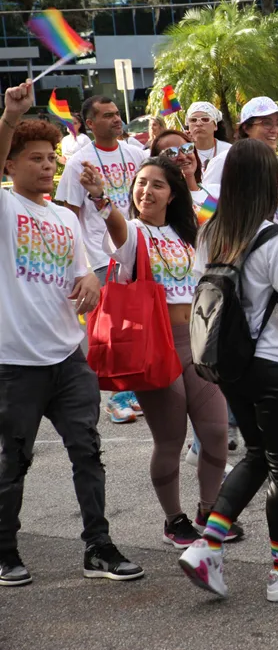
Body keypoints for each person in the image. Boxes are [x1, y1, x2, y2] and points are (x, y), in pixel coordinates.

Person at [179, 139, 278, 602]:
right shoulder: (276, 238)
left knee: (257, 455)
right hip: (274, 365)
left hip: (230, 366)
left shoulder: (210, 234)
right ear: (269, 183)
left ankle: (208, 545)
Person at [0, 85, 144, 586]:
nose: (47, 166)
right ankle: (5, 550)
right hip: (15, 364)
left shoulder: (64, 216)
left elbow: (84, 270)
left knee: (87, 451)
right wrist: (10, 117)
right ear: (9, 164)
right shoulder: (4, 209)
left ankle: (98, 547)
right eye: (35, 158)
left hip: (67, 359)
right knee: (13, 461)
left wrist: (91, 280)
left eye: (51, 158)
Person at [78, 155, 240, 548]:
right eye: (141, 183)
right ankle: (174, 520)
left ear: (173, 195)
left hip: (199, 344)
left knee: (216, 433)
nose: (146, 191)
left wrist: (193, 173)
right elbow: (117, 227)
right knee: (170, 439)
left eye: (157, 185)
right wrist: (101, 199)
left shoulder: (191, 233)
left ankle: (209, 510)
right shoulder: (133, 232)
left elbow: (216, 217)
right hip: (155, 346)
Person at [149, 130, 240, 463]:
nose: (182, 155)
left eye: (186, 148)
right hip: (187, 301)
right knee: (206, 378)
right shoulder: (164, 204)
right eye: (170, 153)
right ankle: (203, 449)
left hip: (220, 291)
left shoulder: (212, 194)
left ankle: (206, 447)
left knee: (222, 373)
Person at [54, 95, 145, 424]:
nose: (116, 119)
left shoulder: (136, 154)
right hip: (99, 256)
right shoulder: (79, 162)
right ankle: (116, 396)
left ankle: (133, 389)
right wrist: (78, 266)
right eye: (107, 115)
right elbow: (69, 216)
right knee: (112, 328)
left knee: (138, 325)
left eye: (117, 113)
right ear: (90, 124)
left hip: (134, 249)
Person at [202, 97, 278, 228]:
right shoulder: (224, 161)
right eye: (267, 123)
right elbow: (204, 215)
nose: (275, 130)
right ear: (246, 128)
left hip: (274, 239)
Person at [186, 102, 230, 172]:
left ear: (215, 126)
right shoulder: (182, 153)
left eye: (205, 119)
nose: (198, 124)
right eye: (193, 120)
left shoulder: (229, 150)